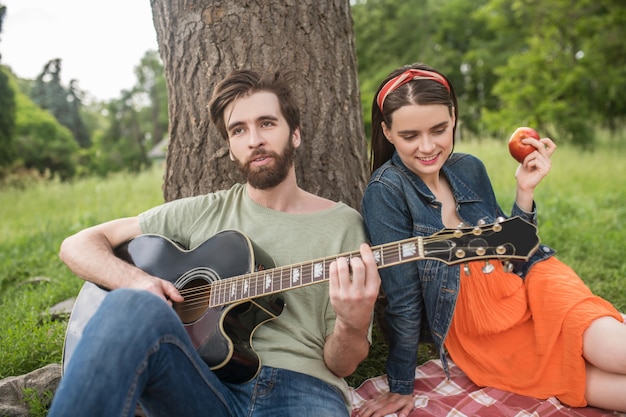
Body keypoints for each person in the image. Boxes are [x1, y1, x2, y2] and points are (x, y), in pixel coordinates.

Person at [48, 69, 381, 417]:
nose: (254, 139)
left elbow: (341, 365)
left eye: (267, 123)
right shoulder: (204, 211)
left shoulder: (342, 225)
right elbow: (78, 244)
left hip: (304, 391)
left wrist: (352, 323)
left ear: (294, 134)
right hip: (203, 386)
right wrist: (137, 282)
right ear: (231, 147)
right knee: (129, 304)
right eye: (239, 130)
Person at [357, 63, 626, 417]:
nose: (427, 147)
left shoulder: (469, 168)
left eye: (439, 129)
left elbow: (514, 249)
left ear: (453, 117)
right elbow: (403, 298)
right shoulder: (386, 191)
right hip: (484, 332)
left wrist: (524, 192)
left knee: (618, 352)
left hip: (539, 284)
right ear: (388, 132)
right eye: (410, 136)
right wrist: (401, 386)